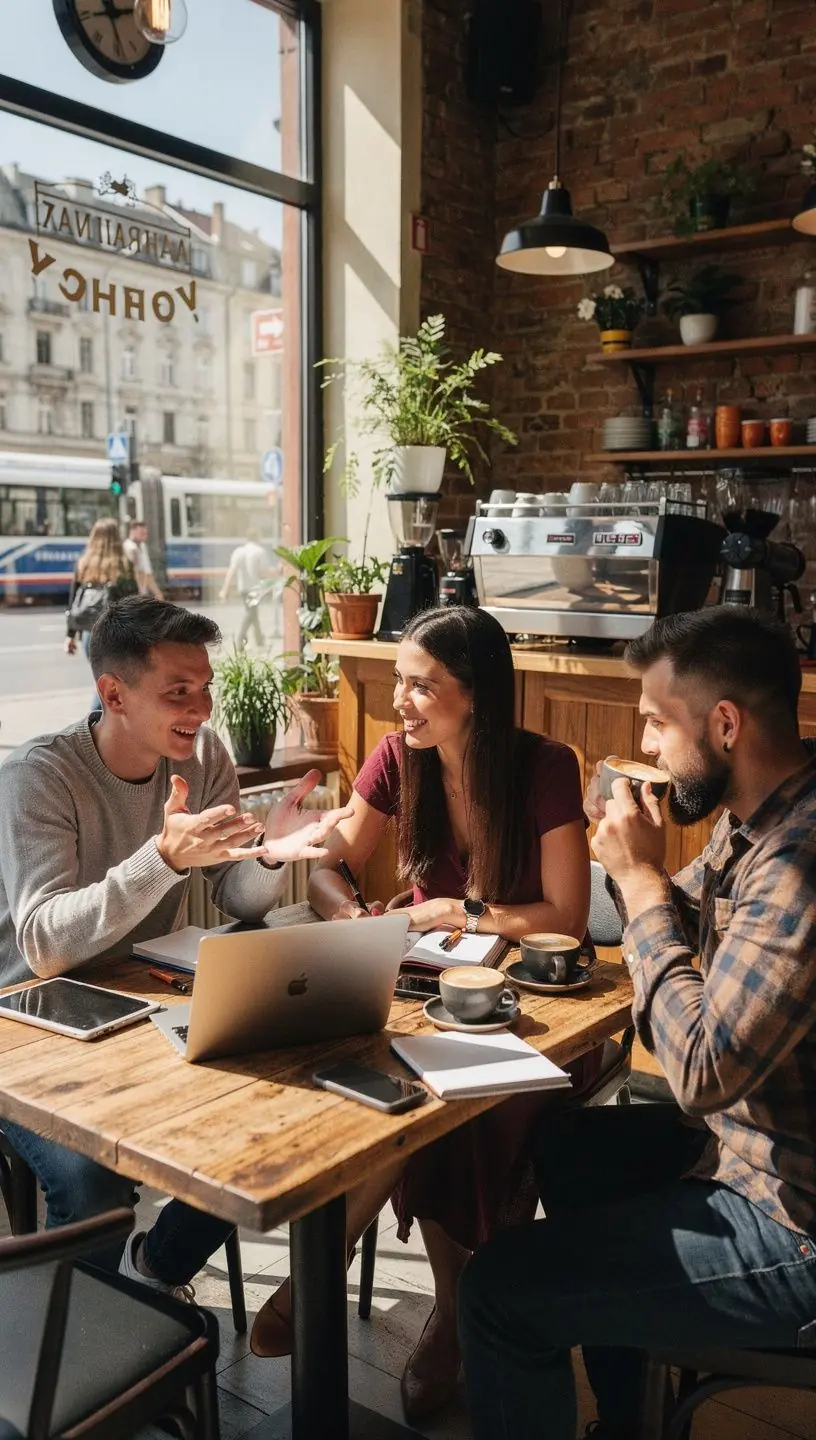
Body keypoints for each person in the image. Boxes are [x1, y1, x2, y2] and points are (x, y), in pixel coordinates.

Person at [458, 606, 816, 1440]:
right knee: (567, 1142)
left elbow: (701, 1073)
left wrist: (641, 881)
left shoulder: (800, 861)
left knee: (498, 1293)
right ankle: (628, 1419)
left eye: (656, 722)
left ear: (724, 724)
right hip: (747, 1154)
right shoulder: (758, 814)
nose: (644, 745)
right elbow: (676, 913)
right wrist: (620, 869)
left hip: (793, 1220)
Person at [251, 605, 596, 1421]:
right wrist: (348, 916)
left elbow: (568, 915)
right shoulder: (395, 758)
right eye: (399, 682)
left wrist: (458, 911)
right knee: (384, 1089)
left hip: (533, 1005)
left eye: (421, 685)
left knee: (456, 1111)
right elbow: (329, 864)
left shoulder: (545, 766)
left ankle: (429, 1308)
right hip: (423, 990)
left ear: (475, 692)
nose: (400, 701)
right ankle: (442, 1305)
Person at [0, 595, 353, 1295]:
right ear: (114, 695)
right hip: (27, 1022)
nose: (201, 708)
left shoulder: (203, 754)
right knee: (93, 1182)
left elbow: (237, 896)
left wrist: (270, 854)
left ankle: (153, 1273)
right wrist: (160, 859)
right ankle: (85, 1343)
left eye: (205, 687)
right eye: (178, 692)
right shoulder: (40, 775)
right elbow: (43, 945)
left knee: (268, 1115)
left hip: (139, 1001)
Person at [219, 526, 272, 649]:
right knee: (250, 613)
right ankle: (240, 640)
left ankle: (259, 640)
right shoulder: (260, 552)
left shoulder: (239, 552)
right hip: (255, 588)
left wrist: (224, 589)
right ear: (257, 537)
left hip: (243, 588)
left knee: (253, 613)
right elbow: (264, 572)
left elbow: (232, 571)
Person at [123, 519, 164, 599]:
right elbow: (137, 571)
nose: (145, 536)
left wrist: (158, 593)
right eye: (142, 533)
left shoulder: (142, 546)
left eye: (146, 533)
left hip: (142, 592)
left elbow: (148, 573)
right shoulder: (129, 547)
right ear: (133, 531)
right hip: (133, 592)